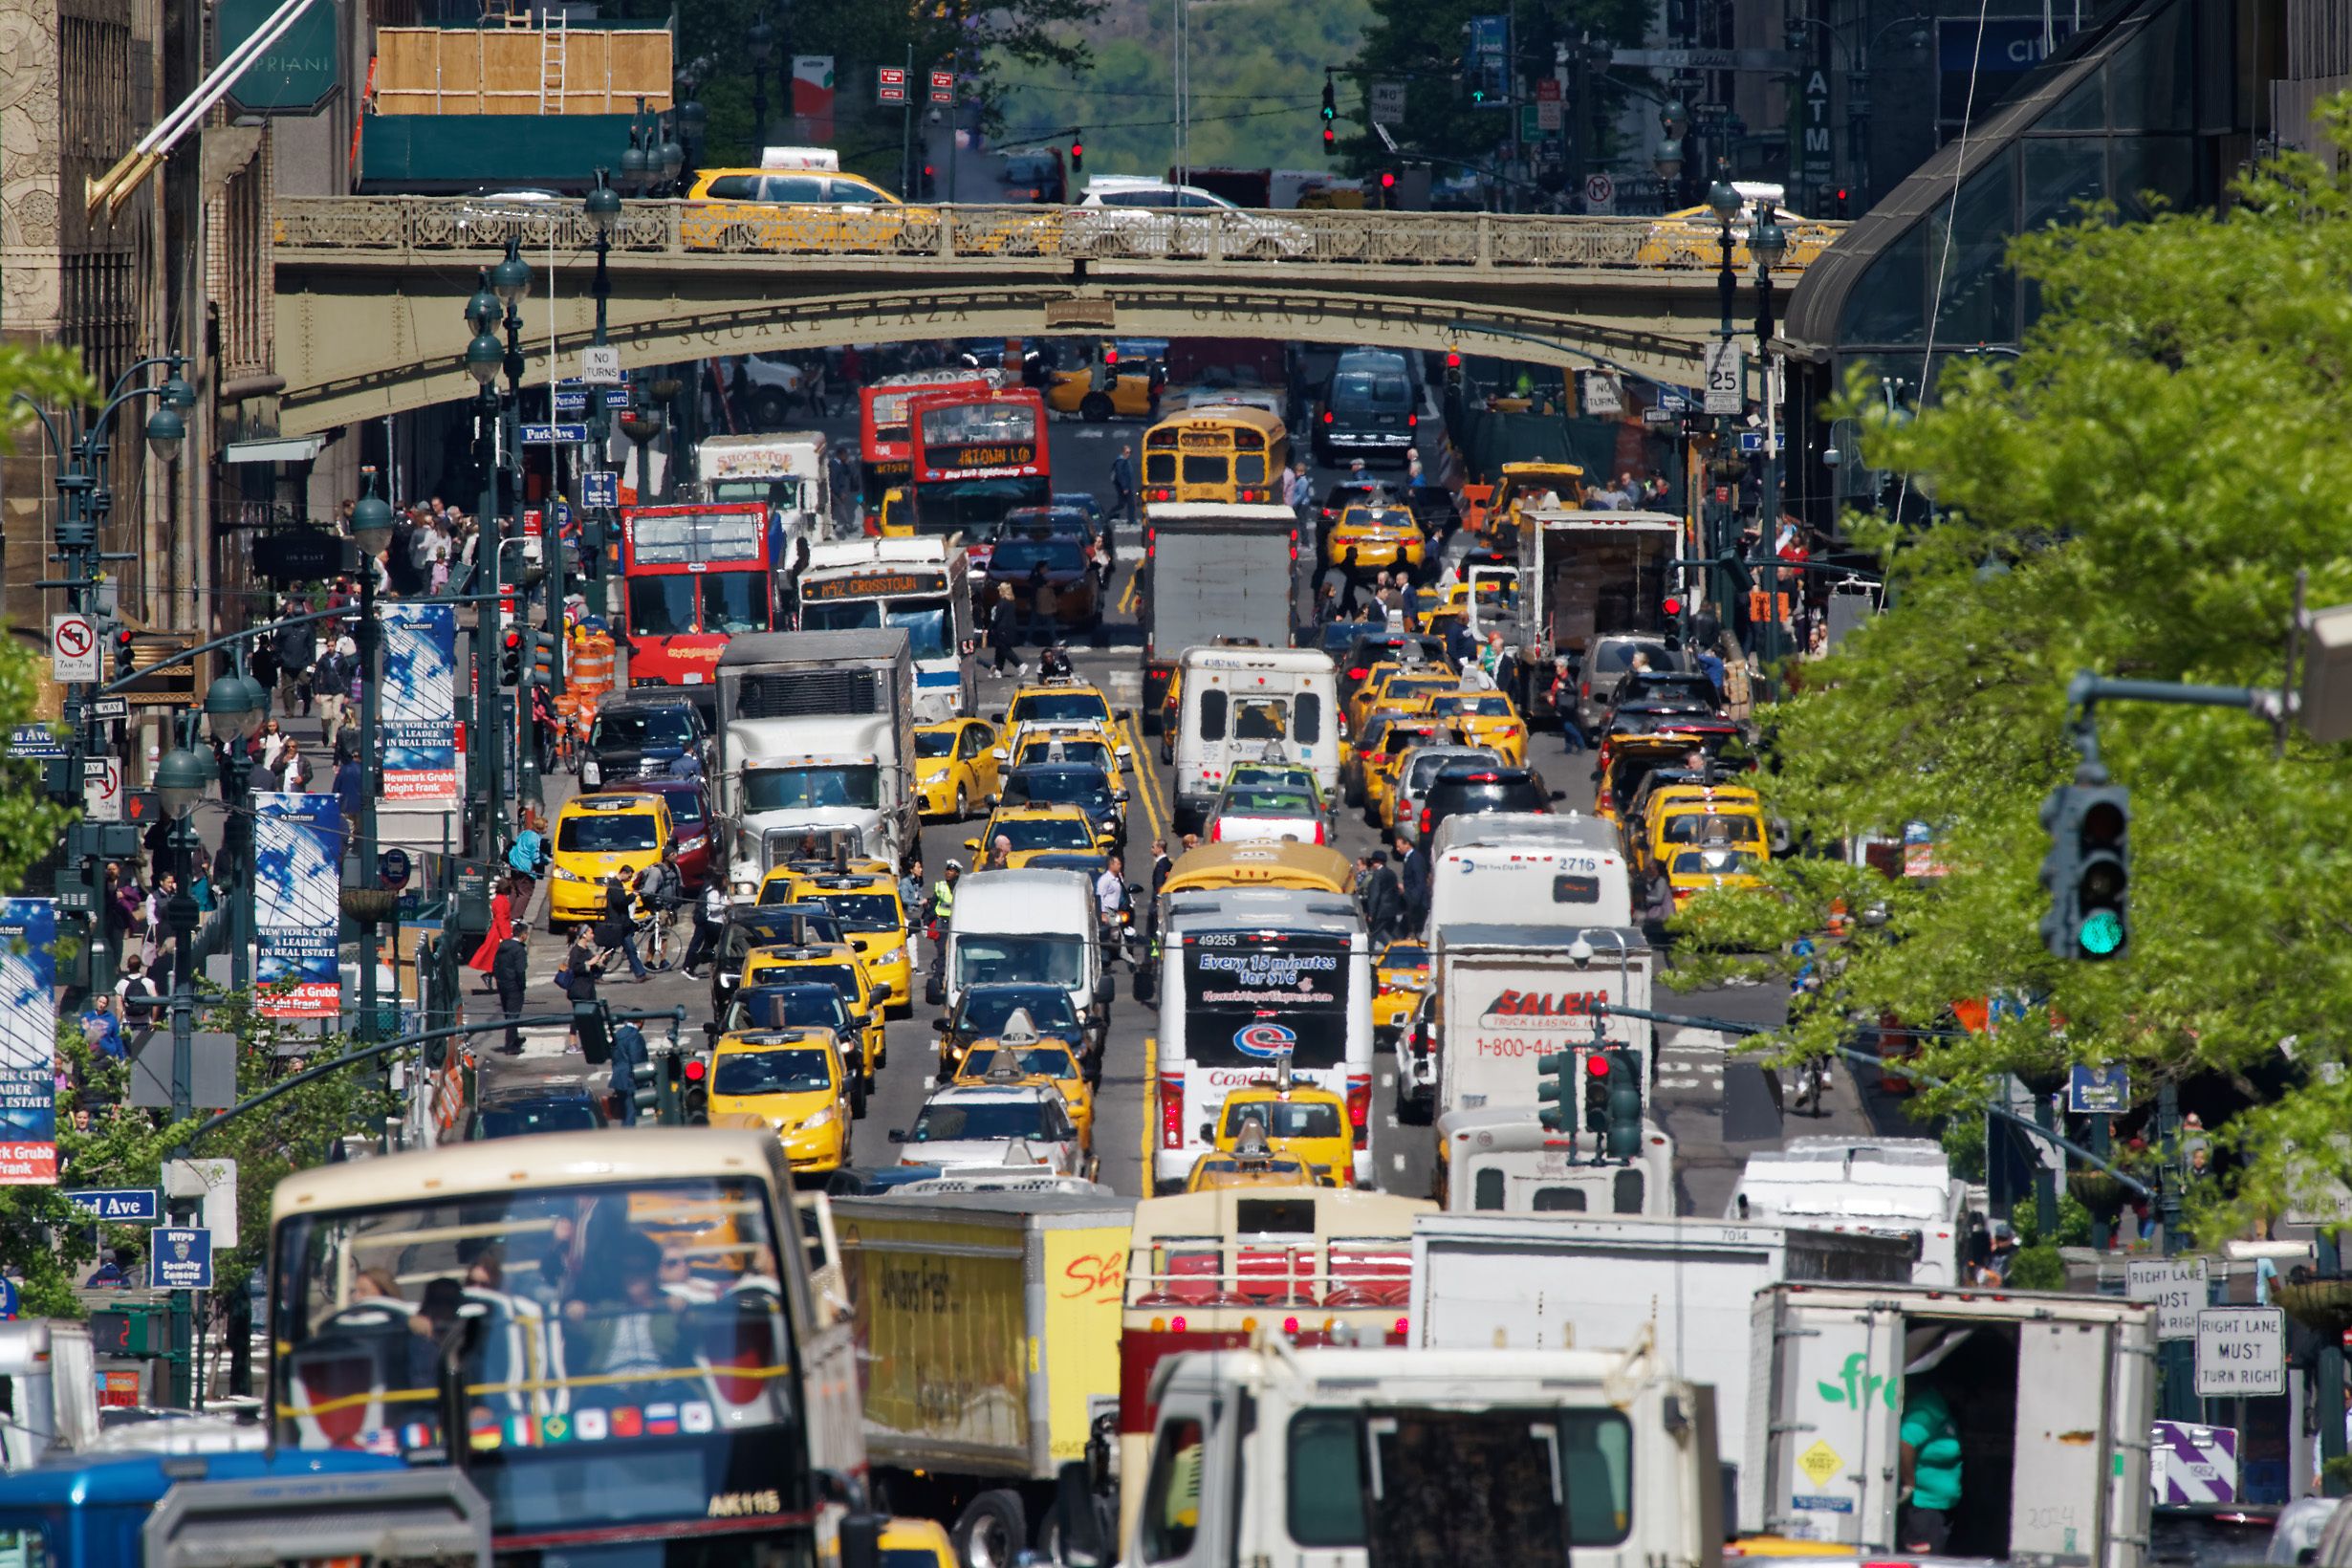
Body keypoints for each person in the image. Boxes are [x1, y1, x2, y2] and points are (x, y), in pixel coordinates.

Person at [1898, 1379, 1963, 1553]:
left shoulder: (1941, 1408)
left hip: (1938, 1508)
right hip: (1923, 1509)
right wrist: (1909, 1482)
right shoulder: (1929, 1408)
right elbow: (1906, 1442)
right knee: (1924, 1562)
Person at [597, 874, 650, 982]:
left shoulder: (617, 884)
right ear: (624, 873)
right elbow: (619, 902)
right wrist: (632, 896)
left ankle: (640, 974)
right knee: (609, 951)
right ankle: (596, 974)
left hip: (623, 925)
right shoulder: (614, 884)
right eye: (629, 876)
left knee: (631, 950)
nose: (629, 879)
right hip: (617, 925)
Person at [468, 874, 514, 991]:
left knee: (496, 957)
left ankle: (491, 976)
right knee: (498, 957)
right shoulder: (501, 900)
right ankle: (491, 976)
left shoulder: (500, 899)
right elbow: (501, 919)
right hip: (498, 933)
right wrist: (506, 936)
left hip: (499, 931)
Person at [491, 925, 530, 1055]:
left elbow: (495, 965)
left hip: (502, 984)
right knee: (514, 1015)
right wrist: (522, 985)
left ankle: (514, 1039)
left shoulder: (503, 946)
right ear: (523, 935)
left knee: (509, 1013)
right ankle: (510, 1045)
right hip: (514, 986)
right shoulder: (519, 950)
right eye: (526, 933)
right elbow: (520, 970)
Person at [681, 876, 726, 979]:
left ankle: (690, 965)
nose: (726, 882)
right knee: (700, 945)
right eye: (725, 879)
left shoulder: (719, 891)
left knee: (708, 947)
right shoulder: (713, 891)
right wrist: (726, 904)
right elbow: (714, 907)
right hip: (709, 922)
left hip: (713, 922)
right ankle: (689, 966)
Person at [608, 1021, 650, 1125]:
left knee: (626, 1115)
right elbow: (636, 1059)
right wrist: (644, 1081)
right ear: (640, 1022)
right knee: (633, 1117)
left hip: (619, 1080)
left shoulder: (619, 1034)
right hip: (632, 1081)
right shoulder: (634, 1036)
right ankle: (631, 1140)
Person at [989, 581, 1026, 678]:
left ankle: (1020, 664)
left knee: (1005, 649)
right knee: (1000, 649)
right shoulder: (1011, 601)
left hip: (1002, 630)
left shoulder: (1002, 602)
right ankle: (998, 669)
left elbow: (996, 617)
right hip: (1010, 629)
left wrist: (990, 627)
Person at [1112, 442, 1138, 529]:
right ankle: (1131, 520)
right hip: (1124, 487)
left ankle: (1108, 515)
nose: (1129, 454)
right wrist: (1125, 487)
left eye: (1130, 452)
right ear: (1123, 452)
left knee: (1122, 504)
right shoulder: (1120, 461)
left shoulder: (1125, 461)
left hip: (1127, 486)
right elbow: (1120, 475)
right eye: (1127, 452)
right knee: (1130, 503)